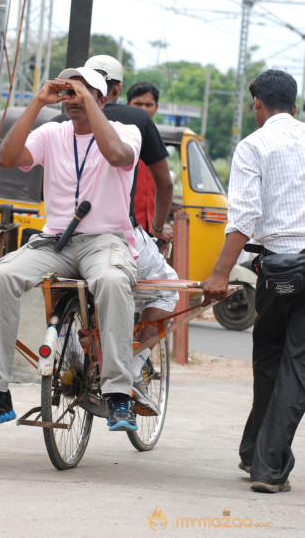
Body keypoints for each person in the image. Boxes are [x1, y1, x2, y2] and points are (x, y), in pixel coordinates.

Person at [0, 67, 142, 432]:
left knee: (112, 282)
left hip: (104, 240)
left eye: (82, 91)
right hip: (56, 242)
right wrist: (38, 101)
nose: (72, 98)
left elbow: (116, 155)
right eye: (67, 92)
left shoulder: (125, 132)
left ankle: (119, 395)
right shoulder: (52, 133)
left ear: (103, 98)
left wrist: (88, 100)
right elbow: (5, 158)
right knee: (1, 276)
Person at [203, 69, 305, 494]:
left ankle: (258, 459)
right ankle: (260, 459)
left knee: (268, 358)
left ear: (259, 106)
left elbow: (244, 218)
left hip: (277, 270)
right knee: (297, 365)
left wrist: (220, 273)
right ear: (295, 107)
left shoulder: (253, 146)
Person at [83, 57, 179, 414]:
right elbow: (164, 183)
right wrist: (156, 231)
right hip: (120, 235)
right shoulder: (137, 121)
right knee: (166, 284)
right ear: (118, 90)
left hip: (62, 236)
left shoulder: (61, 116)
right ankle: (132, 372)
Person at [126, 81, 159, 232]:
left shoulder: (157, 144)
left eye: (149, 105)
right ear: (127, 105)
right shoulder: (117, 140)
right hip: (122, 229)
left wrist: (158, 227)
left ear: (156, 108)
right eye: (138, 104)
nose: (144, 110)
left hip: (147, 231)